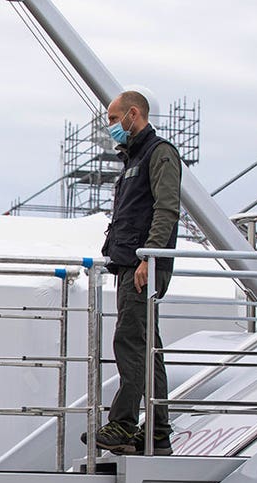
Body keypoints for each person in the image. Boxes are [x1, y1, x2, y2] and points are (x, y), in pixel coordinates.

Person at [86, 90, 181, 455]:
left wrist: (149, 258)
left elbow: (166, 208)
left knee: (130, 341)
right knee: (146, 346)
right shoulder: (134, 158)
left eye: (113, 119)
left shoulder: (159, 154)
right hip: (132, 264)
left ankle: (123, 424)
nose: (111, 127)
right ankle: (157, 431)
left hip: (143, 266)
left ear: (133, 114)